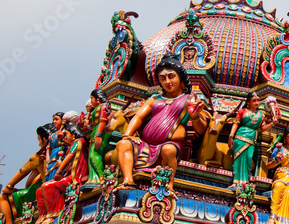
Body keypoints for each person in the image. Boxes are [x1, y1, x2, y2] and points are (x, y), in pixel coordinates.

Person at [115, 53, 209, 191]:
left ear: (181, 78)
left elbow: (201, 129)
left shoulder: (189, 99)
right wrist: (127, 134)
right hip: (146, 144)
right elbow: (139, 117)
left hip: (169, 145)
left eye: (171, 76)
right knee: (123, 144)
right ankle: (128, 180)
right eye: (162, 78)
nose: (167, 82)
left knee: (169, 150)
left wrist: (194, 116)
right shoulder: (155, 99)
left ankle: (168, 185)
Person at [0, 126, 50, 224]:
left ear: (44, 140)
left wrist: (9, 186)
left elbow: (23, 170)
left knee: (2, 198)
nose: (38, 144)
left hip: (41, 190)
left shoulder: (39, 156)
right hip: (49, 186)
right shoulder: (58, 151)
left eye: (39, 140)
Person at [35, 123, 88, 224]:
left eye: (66, 135)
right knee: (39, 191)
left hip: (76, 178)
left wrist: (59, 171)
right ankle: (42, 217)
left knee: (47, 186)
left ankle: (53, 214)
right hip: (69, 175)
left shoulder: (78, 142)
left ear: (73, 135)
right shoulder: (73, 144)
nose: (64, 139)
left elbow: (70, 156)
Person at [228, 93, 276, 186]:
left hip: (251, 139)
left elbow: (262, 128)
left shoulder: (261, 115)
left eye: (258, 100)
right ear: (248, 102)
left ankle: (244, 182)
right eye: (254, 100)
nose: (256, 102)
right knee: (237, 159)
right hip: (240, 137)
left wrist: (272, 124)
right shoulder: (242, 111)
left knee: (248, 160)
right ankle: (235, 182)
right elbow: (236, 124)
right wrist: (231, 136)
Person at [85, 88, 112, 184]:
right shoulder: (99, 108)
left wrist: (99, 135)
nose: (91, 101)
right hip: (96, 131)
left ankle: (101, 176)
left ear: (97, 99)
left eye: (91, 98)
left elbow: (103, 121)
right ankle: (94, 178)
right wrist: (87, 125)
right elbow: (95, 125)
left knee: (94, 154)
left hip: (101, 132)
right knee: (91, 155)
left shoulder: (104, 107)